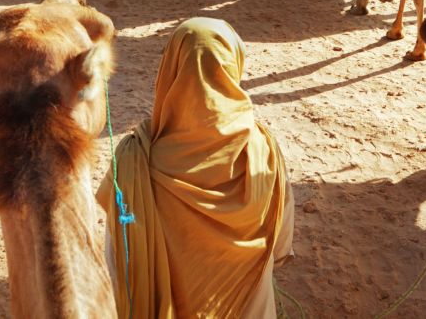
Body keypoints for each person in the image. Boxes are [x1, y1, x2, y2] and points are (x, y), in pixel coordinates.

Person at [97, 17, 294, 318]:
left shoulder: (133, 161)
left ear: (170, 69)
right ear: (234, 66)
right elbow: (279, 247)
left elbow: (118, 261)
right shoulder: (264, 152)